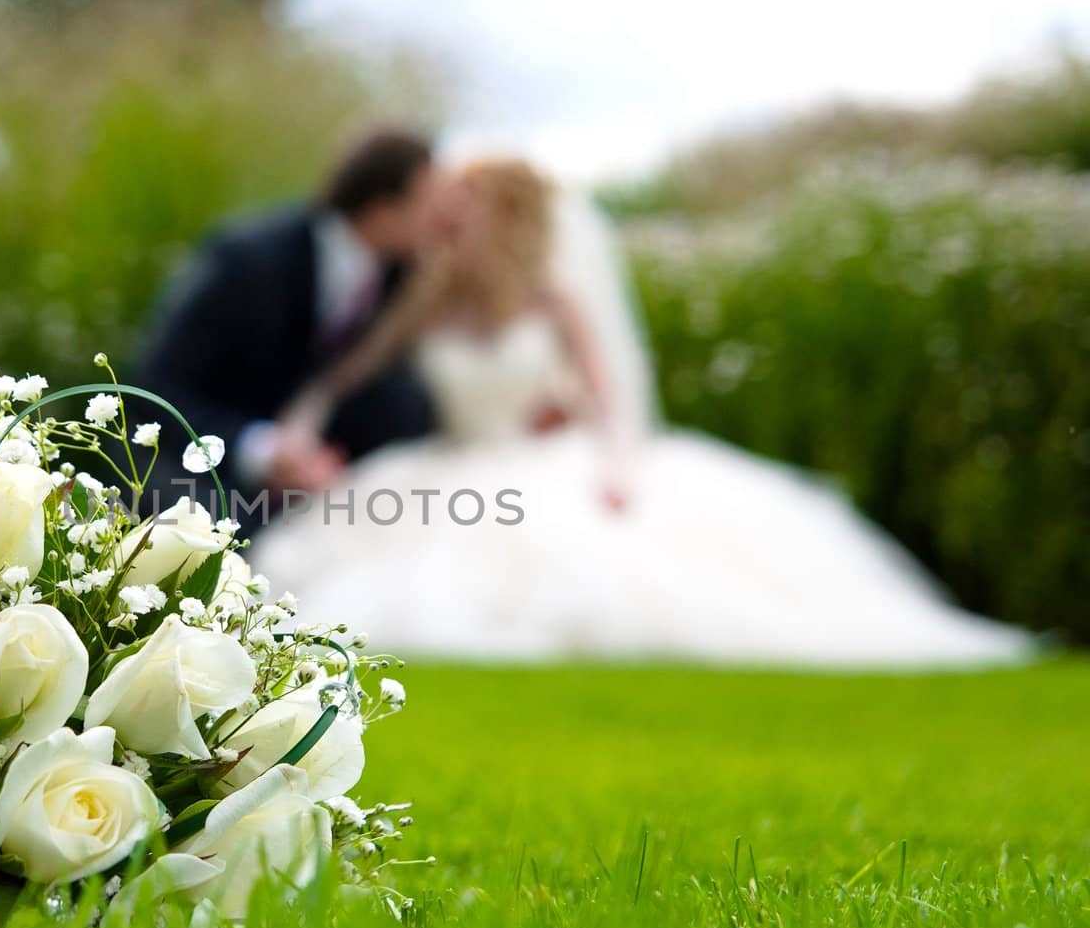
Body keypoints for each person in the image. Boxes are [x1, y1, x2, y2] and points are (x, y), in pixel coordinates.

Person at [248, 158, 1032, 667]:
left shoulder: (551, 297)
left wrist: (617, 465)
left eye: (463, 207)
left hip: (549, 458)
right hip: (456, 462)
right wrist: (300, 431)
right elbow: (344, 374)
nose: (446, 221)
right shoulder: (429, 299)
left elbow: (609, 396)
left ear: (503, 212)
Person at [133, 128, 452, 528]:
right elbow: (153, 388)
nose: (443, 218)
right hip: (207, 473)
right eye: (431, 201)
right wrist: (262, 451)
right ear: (384, 208)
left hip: (329, 477)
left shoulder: (402, 276)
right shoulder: (246, 260)